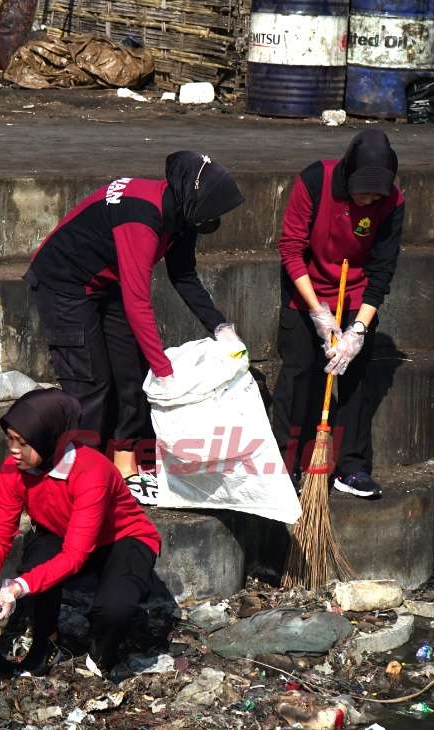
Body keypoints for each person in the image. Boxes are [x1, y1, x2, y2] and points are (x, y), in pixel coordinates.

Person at [25, 151, 247, 506]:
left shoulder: (181, 217)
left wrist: (220, 326)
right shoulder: (142, 216)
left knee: (132, 373)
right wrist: (165, 369)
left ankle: (125, 462)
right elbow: (138, 301)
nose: (215, 219)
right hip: (63, 283)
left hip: (104, 281)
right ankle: (79, 474)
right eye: (213, 209)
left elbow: (184, 276)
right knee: (91, 381)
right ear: (194, 198)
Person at [0, 389, 162, 677]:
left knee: (115, 608)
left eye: (23, 443)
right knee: (34, 567)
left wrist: (17, 587)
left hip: (121, 538)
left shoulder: (91, 471)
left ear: (48, 440)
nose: (13, 449)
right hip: (63, 531)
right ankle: (47, 642)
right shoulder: (13, 469)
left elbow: (75, 556)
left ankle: (103, 652)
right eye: (10, 440)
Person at [272, 128, 405, 498]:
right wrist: (317, 313)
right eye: (361, 191)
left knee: (354, 378)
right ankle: (284, 464)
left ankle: (351, 468)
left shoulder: (393, 201)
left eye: (373, 196)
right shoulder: (315, 180)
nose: (366, 201)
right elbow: (291, 250)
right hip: (308, 290)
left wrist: (358, 330)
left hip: (356, 293)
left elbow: (383, 270)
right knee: (298, 374)